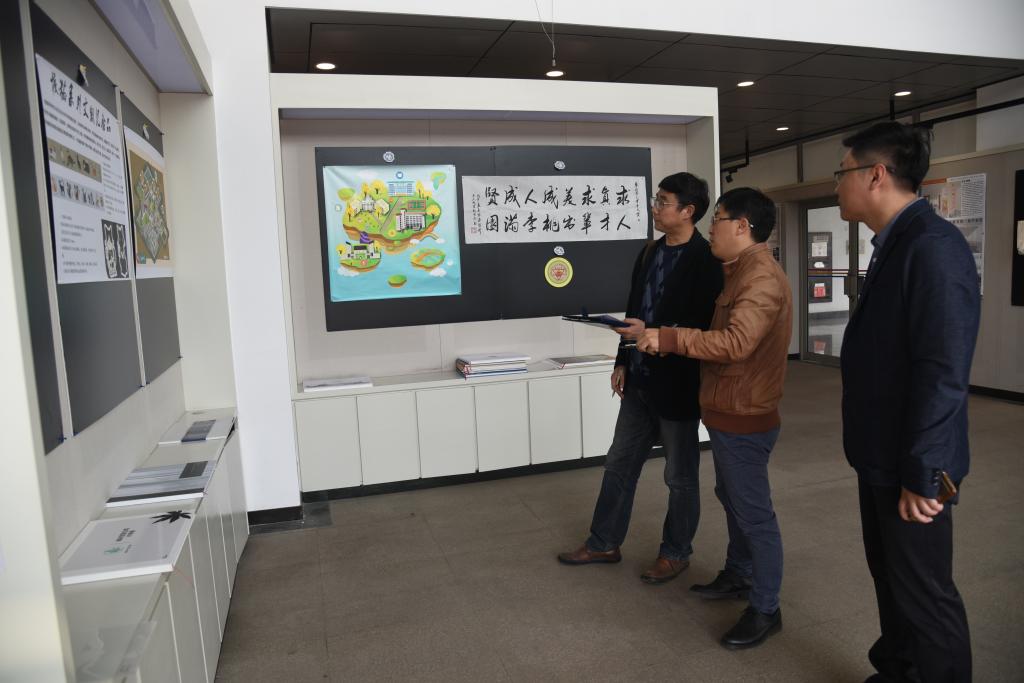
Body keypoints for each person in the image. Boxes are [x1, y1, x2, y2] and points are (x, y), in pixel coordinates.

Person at [836, 121, 979, 683]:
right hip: (883, 452)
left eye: (843, 172)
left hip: (915, 462)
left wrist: (924, 473)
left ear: (876, 175)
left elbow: (943, 372)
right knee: (891, 578)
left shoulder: (932, 247)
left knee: (924, 593)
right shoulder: (896, 242)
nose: (837, 185)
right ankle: (900, 671)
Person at [638, 187, 792, 650]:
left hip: (745, 415)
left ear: (742, 226)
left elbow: (735, 344)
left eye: (718, 219)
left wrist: (670, 338)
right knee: (734, 498)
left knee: (754, 514)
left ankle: (766, 608)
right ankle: (739, 574)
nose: (711, 229)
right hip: (728, 409)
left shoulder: (759, 277)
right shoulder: (739, 271)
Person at [557, 172, 723, 585]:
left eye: (663, 201)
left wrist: (653, 333)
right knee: (619, 464)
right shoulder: (649, 252)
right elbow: (634, 313)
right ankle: (603, 542)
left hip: (678, 384)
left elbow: (702, 326)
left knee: (679, 477)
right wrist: (622, 361)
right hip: (639, 380)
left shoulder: (707, 260)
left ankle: (676, 553)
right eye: (656, 199)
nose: (655, 207)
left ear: (688, 211)